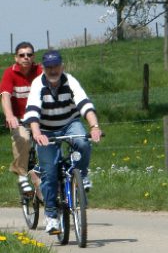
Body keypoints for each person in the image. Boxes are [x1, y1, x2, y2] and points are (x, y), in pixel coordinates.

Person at [23, 50, 102, 235]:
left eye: (56, 66)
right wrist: (37, 133)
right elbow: (33, 111)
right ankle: (51, 216)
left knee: (82, 142)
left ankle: (80, 176)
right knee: (49, 172)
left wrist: (95, 127)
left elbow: (85, 104)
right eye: (49, 67)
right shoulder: (37, 84)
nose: (52, 70)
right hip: (45, 129)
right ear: (43, 68)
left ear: (62, 67)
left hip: (69, 124)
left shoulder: (70, 80)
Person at [1, 42, 43, 196]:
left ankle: (45, 179)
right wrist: (9, 115)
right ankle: (22, 176)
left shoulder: (40, 71)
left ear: (33, 57)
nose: (26, 57)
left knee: (52, 142)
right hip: (19, 119)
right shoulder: (9, 73)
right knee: (23, 139)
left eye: (29, 54)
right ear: (16, 58)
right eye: (22, 55)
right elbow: (5, 96)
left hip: (39, 119)